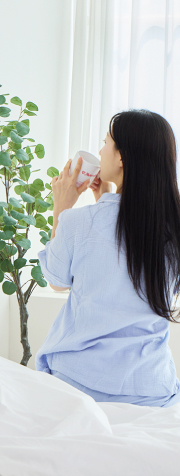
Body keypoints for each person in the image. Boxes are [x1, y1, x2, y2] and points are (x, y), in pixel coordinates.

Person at [35, 109, 180, 407]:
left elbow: (56, 281)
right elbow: (126, 248)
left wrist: (62, 209)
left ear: (121, 157)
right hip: (149, 392)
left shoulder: (80, 222)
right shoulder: (173, 231)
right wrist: (105, 201)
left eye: (105, 143)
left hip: (78, 385)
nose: (100, 151)